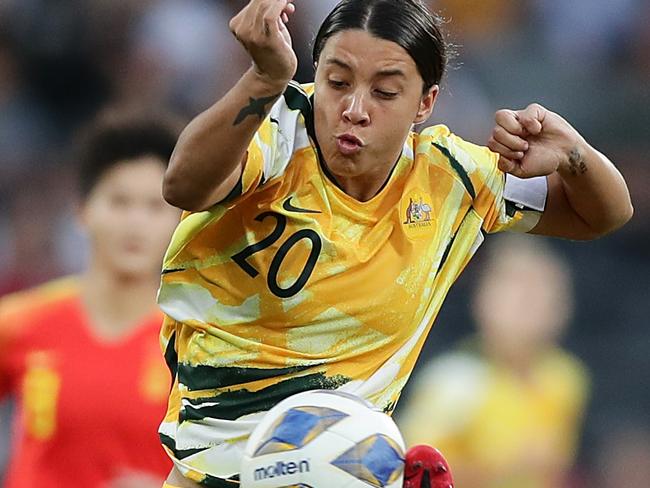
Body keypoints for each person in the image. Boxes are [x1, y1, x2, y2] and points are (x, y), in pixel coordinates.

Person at [157, 1, 633, 486]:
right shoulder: (277, 130)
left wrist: (574, 153)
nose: (355, 110)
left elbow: (603, 214)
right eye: (337, 83)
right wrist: (263, 78)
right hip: (210, 471)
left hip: (346, 472)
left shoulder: (451, 178)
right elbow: (183, 186)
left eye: (384, 92)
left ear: (425, 103)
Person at [0, 108, 182, 487]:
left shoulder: (195, 341)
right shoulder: (22, 322)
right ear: (82, 211)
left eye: (154, 206)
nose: (136, 222)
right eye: (119, 202)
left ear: (181, 219)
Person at [398, 235, 590, 488]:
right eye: (516, 289)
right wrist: (507, 464)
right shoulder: (454, 381)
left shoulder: (566, 379)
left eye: (542, 289)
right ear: (483, 299)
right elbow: (411, 472)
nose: (529, 302)